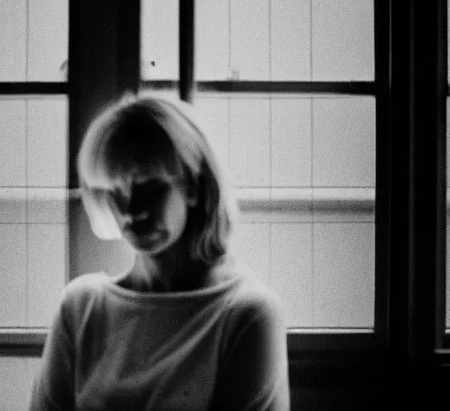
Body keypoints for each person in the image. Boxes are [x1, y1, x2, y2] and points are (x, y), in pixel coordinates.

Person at [29, 93, 290, 410]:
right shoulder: (81, 307)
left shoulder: (246, 312)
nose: (131, 210)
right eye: (115, 192)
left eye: (150, 188)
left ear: (193, 186)